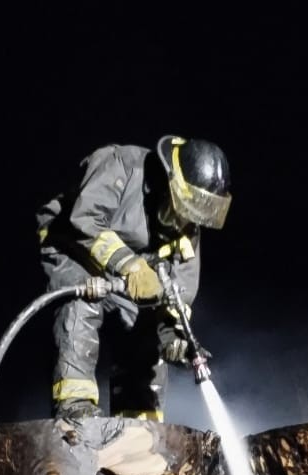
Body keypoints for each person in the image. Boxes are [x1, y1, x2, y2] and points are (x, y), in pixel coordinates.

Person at [36, 136, 231, 420]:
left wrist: (172, 334)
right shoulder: (121, 166)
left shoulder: (188, 229)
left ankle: (139, 424)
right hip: (72, 245)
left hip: (131, 271)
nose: (187, 222)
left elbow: (180, 294)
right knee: (81, 300)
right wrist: (130, 265)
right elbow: (84, 219)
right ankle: (76, 412)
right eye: (184, 210)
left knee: (144, 334)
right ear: (168, 185)